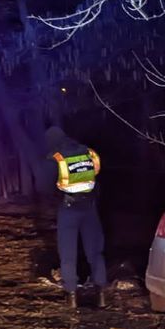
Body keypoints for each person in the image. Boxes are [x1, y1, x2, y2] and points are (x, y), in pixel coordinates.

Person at [46, 126, 107, 309]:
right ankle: (101, 294)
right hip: (90, 208)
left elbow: (48, 184)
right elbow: (96, 177)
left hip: (68, 209)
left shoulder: (56, 157)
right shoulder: (89, 152)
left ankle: (71, 295)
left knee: (67, 253)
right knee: (95, 251)